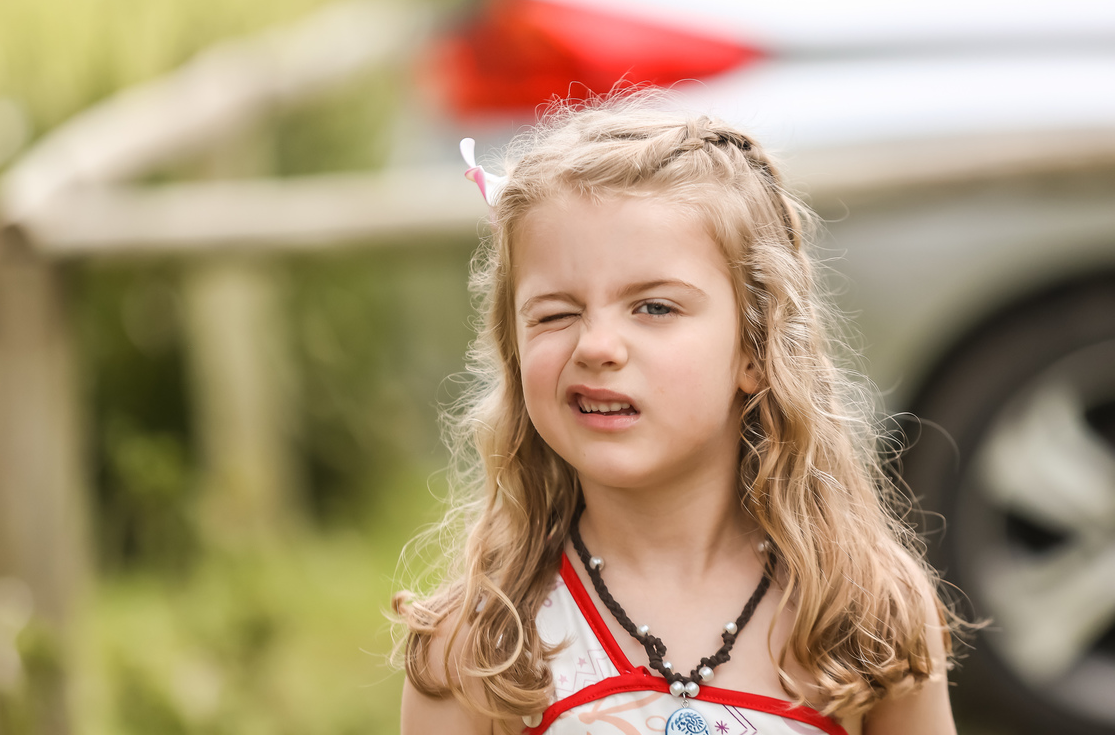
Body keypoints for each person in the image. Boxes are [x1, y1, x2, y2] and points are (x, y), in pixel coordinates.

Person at [393, 89, 960, 735]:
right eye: (556, 313)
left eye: (655, 308)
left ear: (755, 347)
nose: (597, 346)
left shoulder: (861, 614)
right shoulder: (477, 646)